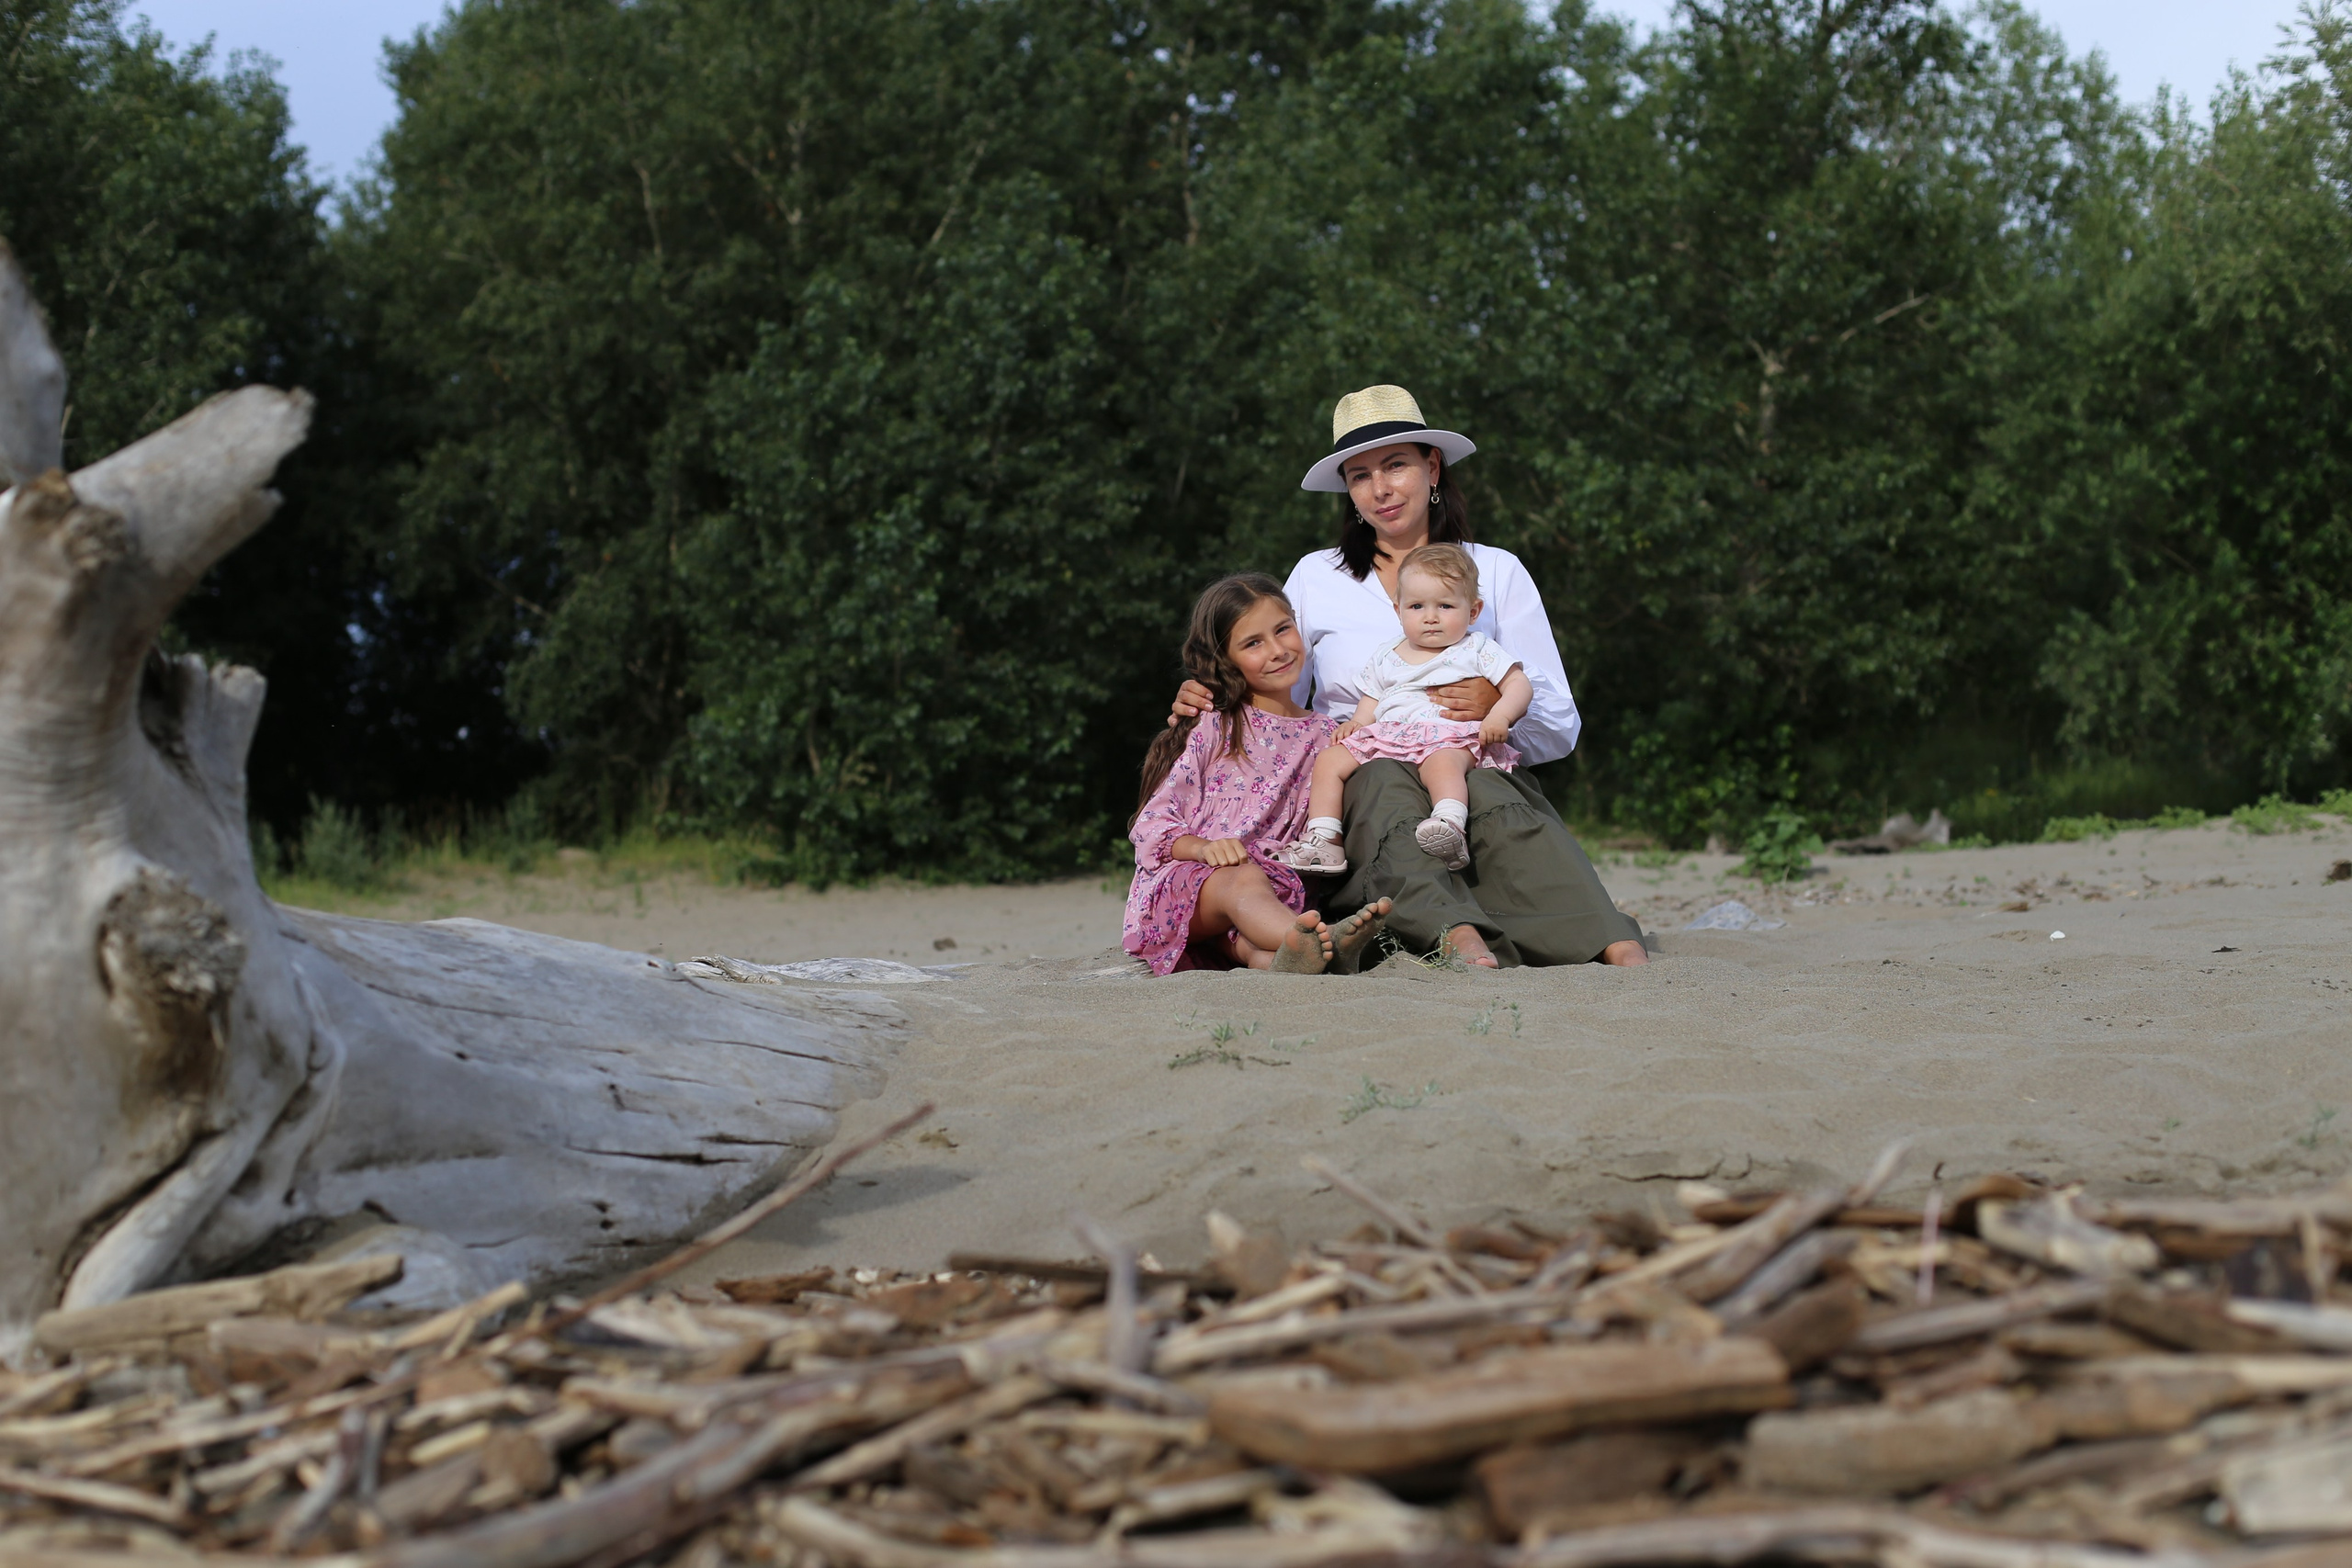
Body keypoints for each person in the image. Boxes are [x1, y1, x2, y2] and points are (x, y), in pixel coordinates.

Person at [1171, 385, 1646, 970]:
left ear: (1432, 465)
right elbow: (1273, 689)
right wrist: (1212, 694)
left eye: (1396, 464)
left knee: (1495, 800)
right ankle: (1458, 936)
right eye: (1360, 473)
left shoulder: (1495, 572)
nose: (1381, 488)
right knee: (1385, 793)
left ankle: (1606, 935)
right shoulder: (1317, 577)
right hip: (1363, 763)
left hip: (1471, 754)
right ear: (1348, 489)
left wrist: (1496, 704)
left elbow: (1560, 728)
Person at [1126, 573, 1394, 975]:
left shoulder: (1327, 736)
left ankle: (1285, 957)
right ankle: (1322, 938)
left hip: (1269, 896)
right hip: (1184, 888)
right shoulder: (1216, 725)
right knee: (1243, 879)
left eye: (1283, 629)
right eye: (1253, 643)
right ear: (1226, 660)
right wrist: (1202, 848)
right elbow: (1150, 826)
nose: (1278, 650)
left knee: (1256, 944)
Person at [1281, 543, 1531, 874]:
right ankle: (1324, 838)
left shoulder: (1476, 648)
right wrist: (1357, 722)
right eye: (1416, 606)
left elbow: (1519, 684)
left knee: (1440, 765)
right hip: (1391, 737)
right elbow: (1373, 696)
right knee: (1329, 760)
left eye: (1445, 605)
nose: (1430, 617)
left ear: (1473, 611)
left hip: (1448, 734)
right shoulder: (1388, 653)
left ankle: (1450, 824)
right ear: (1398, 611)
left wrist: (1500, 714)